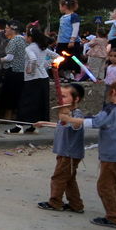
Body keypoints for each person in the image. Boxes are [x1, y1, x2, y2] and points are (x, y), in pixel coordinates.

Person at [59, 79, 116, 228]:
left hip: (112, 153)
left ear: (112, 92)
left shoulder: (110, 110)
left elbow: (94, 123)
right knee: (111, 182)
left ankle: (113, 217)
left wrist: (69, 119)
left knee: (104, 185)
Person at [36, 83, 86, 213]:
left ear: (76, 99)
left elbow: (76, 126)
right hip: (64, 151)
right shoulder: (67, 114)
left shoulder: (77, 114)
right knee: (69, 179)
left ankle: (55, 202)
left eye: (64, 96)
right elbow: (61, 125)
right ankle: (76, 205)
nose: (60, 99)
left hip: (70, 154)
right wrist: (44, 123)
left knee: (58, 178)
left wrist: (68, 118)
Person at [10, 28, 50, 135]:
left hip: (32, 79)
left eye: (26, 35)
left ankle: (19, 126)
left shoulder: (29, 48)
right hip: (44, 78)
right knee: (39, 103)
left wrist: (30, 69)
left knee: (25, 102)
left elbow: (33, 59)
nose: (24, 37)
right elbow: (56, 56)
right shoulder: (42, 47)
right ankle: (34, 126)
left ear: (30, 37)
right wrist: (47, 65)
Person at [55, 0, 82, 78]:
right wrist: (58, 40)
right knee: (63, 60)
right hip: (62, 42)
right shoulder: (62, 18)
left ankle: (72, 75)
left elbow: (75, 28)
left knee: (71, 60)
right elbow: (60, 30)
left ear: (64, 6)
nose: (59, 8)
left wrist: (72, 40)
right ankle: (65, 75)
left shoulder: (74, 16)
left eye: (60, 6)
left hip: (70, 42)